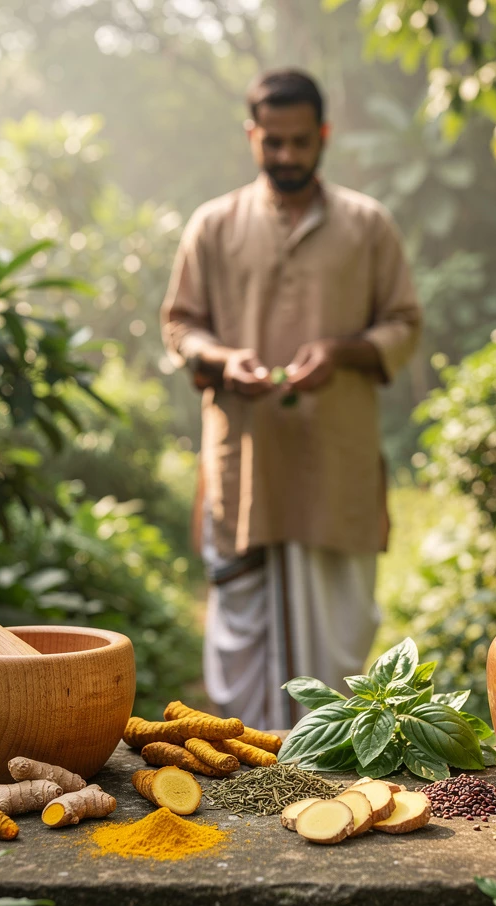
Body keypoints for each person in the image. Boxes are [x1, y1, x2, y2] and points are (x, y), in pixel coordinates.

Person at [160, 68, 422, 729]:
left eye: (299, 142)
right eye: (271, 142)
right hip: (247, 467)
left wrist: (340, 352)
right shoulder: (213, 225)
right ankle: (249, 768)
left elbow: (404, 324)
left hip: (335, 461)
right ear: (252, 135)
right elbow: (180, 325)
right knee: (240, 632)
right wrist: (222, 360)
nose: (285, 156)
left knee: (342, 626)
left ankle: (332, 770)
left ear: (324, 136)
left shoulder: (368, 225)